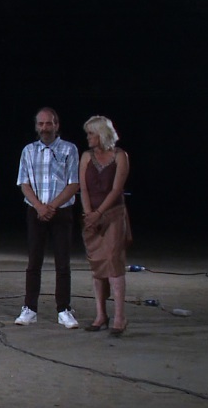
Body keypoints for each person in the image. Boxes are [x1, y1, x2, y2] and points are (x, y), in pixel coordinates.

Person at [15, 107, 82, 328]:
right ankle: (30, 308)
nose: (44, 128)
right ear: (36, 126)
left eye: (48, 123)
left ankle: (63, 309)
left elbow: (74, 183)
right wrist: (39, 207)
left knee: (62, 263)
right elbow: (24, 183)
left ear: (56, 125)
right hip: (35, 211)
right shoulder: (28, 150)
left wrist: (51, 206)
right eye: (41, 124)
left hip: (61, 212)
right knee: (34, 261)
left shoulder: (69, 149)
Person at [79, 115, 133, 336]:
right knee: (97, 264)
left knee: (113, 261)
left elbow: (116, 189)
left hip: (113, 215)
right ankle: (101, 314)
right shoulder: (86, 157)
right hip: (92, 217)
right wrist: (89, 214)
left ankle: (120, 317)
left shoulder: (120, 156)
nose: (88, 138)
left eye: (91, 133)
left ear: (102, 134)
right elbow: (83, 188)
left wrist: (99, 213)